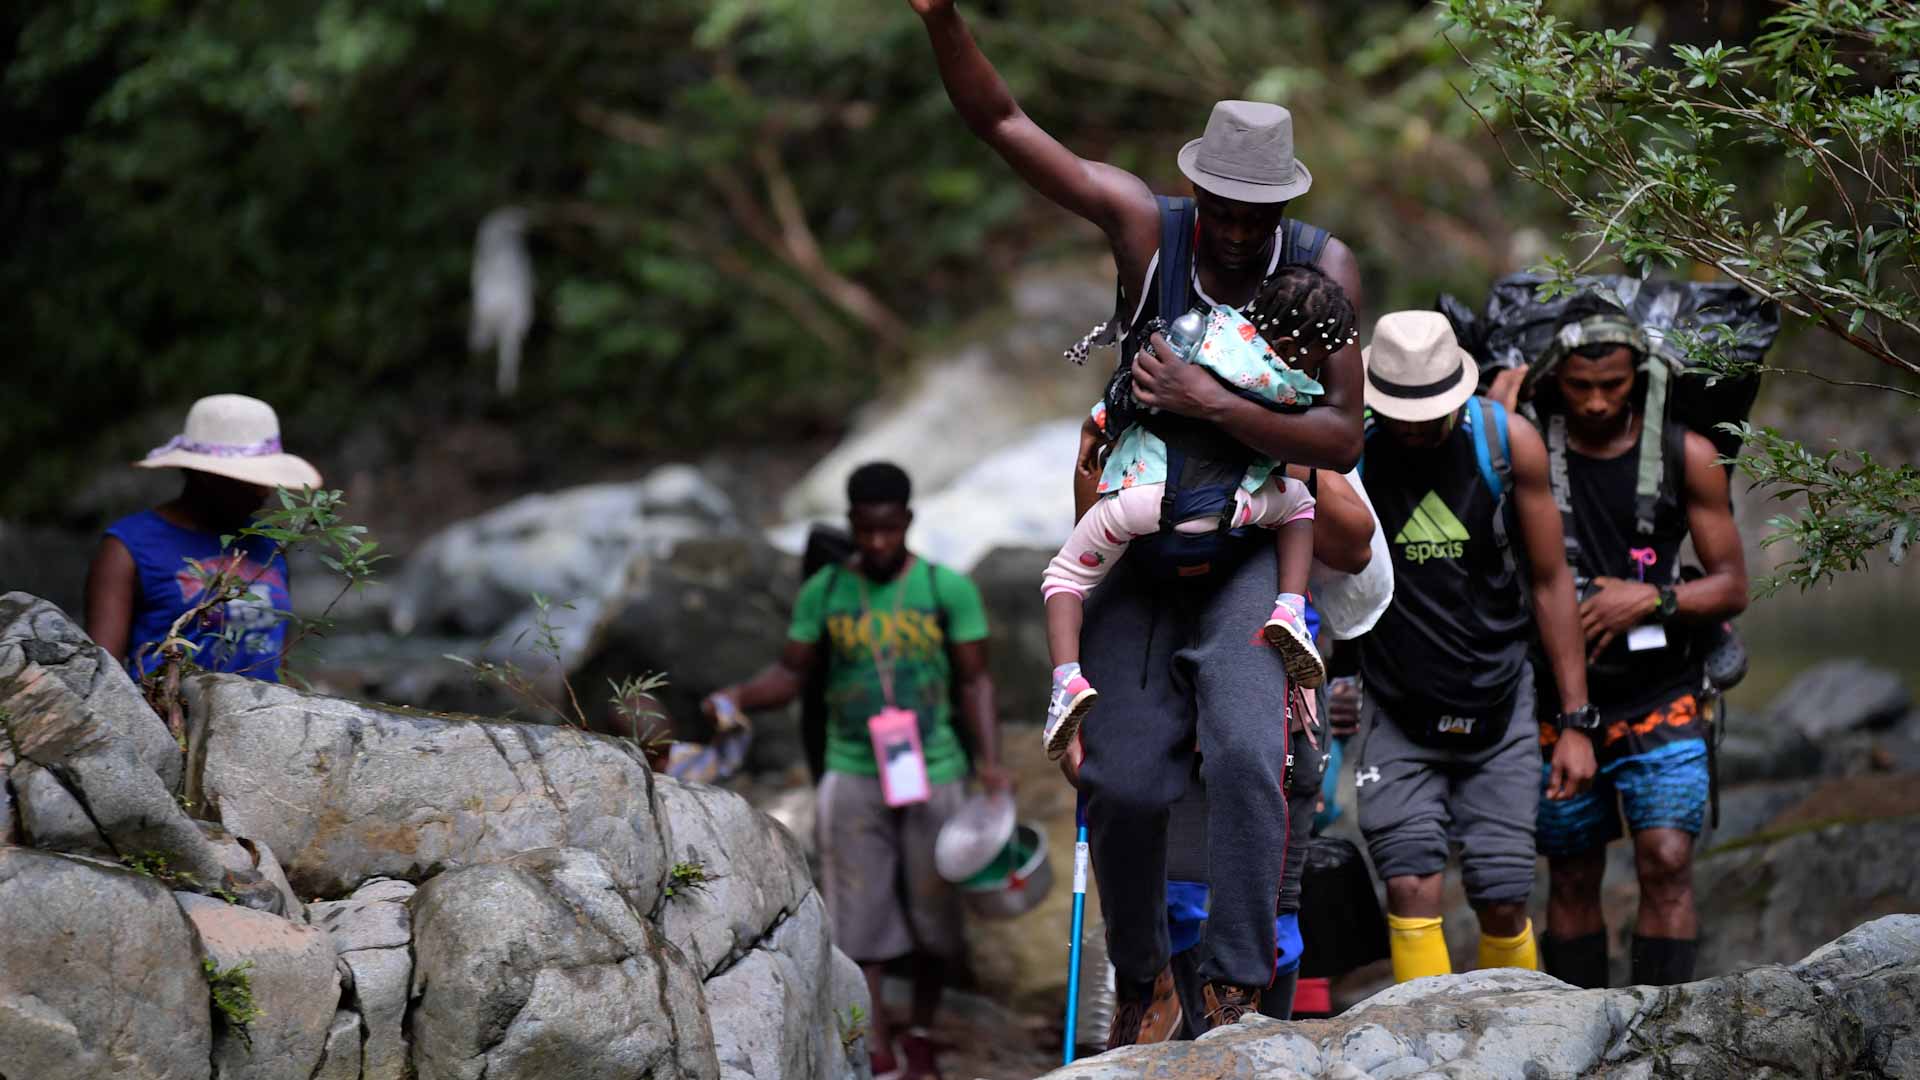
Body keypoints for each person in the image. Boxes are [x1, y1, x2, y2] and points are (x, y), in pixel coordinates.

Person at [912, 0, 1367, 1040]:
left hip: (1253, 542)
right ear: (1197, 186)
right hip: (1142, 544)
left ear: (1287, 202)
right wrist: (943, 22)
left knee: (1251, 754)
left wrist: (1209, 402)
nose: (1243, 230)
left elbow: (1341, 436)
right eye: (1225, 208)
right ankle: (1147, 974)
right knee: (1117, 777)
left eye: (1260, 213)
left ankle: (1237, 983)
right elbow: (1006, 127)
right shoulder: (1145, 231)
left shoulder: (1322, 268)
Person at [703, 462, 1007, 1080]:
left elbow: (975, 680)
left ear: (908, 523)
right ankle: (873, 1045)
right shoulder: (825, 593)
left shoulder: (946, 589)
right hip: (852, 769)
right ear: (850, 524)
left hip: (936, 768)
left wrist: (993, 766)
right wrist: (736, 695)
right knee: (858, 919)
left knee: (934, 914)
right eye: (865, 530)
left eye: (888, 529)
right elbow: (791, 674)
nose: (875, 544)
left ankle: (921, 1032)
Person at [1507, 297, 1750, 989]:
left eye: (1612, 385)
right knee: (1574, 867)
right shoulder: (1524, 449)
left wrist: (1651, 598)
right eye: (1580, 387)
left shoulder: (1687, 454)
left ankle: (1667, 1027)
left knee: (1668, 857)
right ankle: (1580, 1028)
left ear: (1639, 376)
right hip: (1555, 697)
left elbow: (1732, 586)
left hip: (1662, 687)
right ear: (1556, 379)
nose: (1594, 402)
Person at [1351, 312, 1597, 984]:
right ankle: (1424, 1052)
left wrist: (1575, 721)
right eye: (1401, 412)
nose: (1417, 426)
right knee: (1409, 884)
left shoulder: (1505, 442)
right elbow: (1317, 574)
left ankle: (1513, 1040)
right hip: (1394, 700)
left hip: (1498, 695)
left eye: (1430, 412)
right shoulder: (1352, 452)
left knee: (1503, 892)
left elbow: (1550, 581)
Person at [1042, 266, 1359, 759]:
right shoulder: (1291, 389)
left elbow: (1127, 392)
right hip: (1233, 507)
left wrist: (1095, 426)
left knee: (1064, 578)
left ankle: (1066, 680)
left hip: (1140, 499)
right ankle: (1291, 609)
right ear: (1294, 348)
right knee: (1299, 506)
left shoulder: (1196, 333)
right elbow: (1318, 438)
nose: (1314, 369)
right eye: (1315, 358)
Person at [85, 394, 322, 682]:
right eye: (251, 480)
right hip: (165, 721)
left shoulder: (269, 544)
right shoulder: (128, 548)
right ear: (207, 476)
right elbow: (103, 679)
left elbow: (278, 658)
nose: (265, 492)